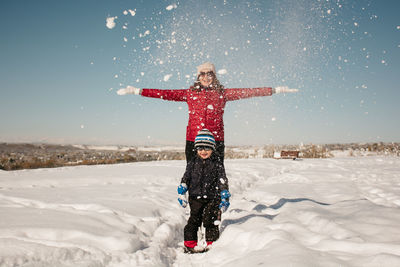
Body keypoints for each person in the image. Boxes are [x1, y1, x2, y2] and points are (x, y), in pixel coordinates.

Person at [117, 62, 298, 163]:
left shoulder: (222, 93)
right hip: (193, 139)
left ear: (214, 76)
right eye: (202, 74)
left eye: (209, 73)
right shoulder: (190, 93)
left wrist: (275, 90)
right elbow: (166, 94)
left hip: (215, 140)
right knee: (193, 175)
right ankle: (195, 210)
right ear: (198, 77)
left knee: (216, 176)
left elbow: (248, 92)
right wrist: (138, 91)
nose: (205, 76)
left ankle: (214, 212)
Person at [176, 129, 230, 253]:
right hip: (195, 197)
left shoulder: (217, 163)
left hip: (213, 197)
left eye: (207, 148)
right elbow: (186, 177)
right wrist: (183, 187)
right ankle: (190, 243)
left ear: (212, 148)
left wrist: (224, 193)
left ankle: (211, 243)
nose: (203, 151)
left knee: (210, 220)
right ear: (196, 149)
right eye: (200, 148)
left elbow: (222, 179)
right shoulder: (192, 162)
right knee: (194, 220)